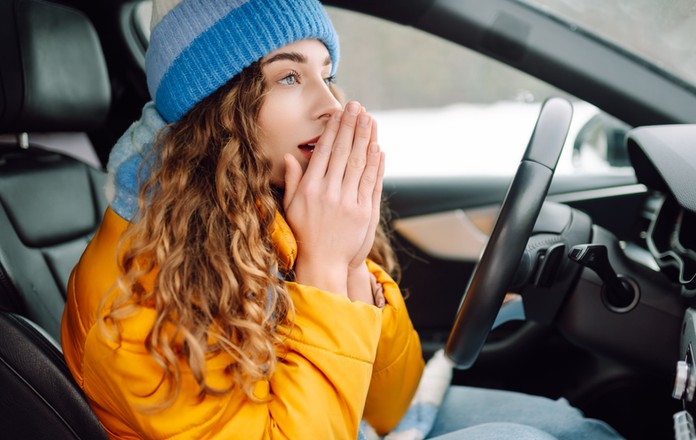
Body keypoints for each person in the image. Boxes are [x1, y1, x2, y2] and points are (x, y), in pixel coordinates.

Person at [61, 1, 624, 439]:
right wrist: (324, 267)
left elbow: (387, 405)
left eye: (326, 74)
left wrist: (352, 269)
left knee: (573, 428)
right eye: (288, 77)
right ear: (217, 106)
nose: (330, 104)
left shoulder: (267, 207)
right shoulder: (129, 303)